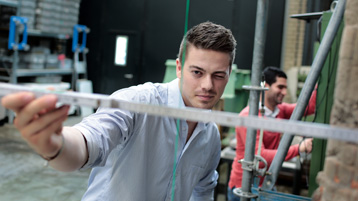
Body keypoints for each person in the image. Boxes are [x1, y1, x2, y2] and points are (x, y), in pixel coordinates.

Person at [1, 21, 237, 201]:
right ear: (179, 67)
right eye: (197, 72)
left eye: (218, 75)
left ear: (228, 76)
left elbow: (203, 192)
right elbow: (91, 140)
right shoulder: (137, 102)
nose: (207, 85)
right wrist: (57, 145)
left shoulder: (210, 137)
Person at [227, 66, 316, 201]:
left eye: (285, 87)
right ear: (266, 86)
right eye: (280, 87)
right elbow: (260, 158)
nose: (284, 92)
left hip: (267, 183)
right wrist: (299, 148)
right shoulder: (248, 116)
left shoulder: (280, 111)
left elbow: (309, 107)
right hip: (245, 187)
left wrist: (318, 80)